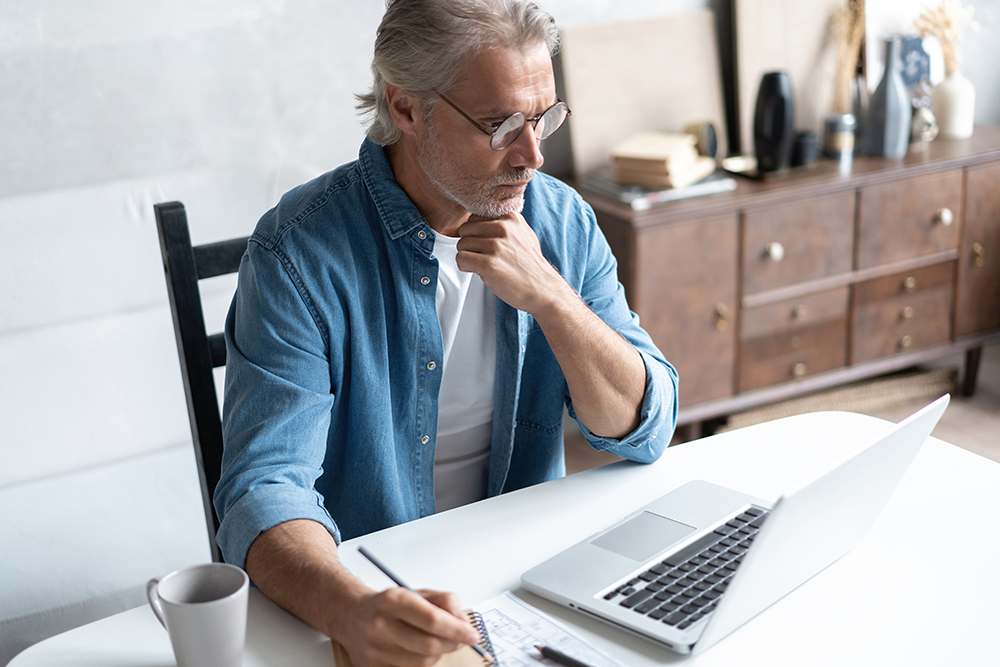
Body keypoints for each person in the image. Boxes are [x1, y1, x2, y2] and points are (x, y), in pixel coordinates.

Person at [216, 0, 679, 665]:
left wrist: (551, 295)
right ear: (405, 108)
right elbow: (262, 490)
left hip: (527, 581)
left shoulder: (562, 221)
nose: (534, 155)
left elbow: (647, 425)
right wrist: (351, 609)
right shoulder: (298, 253)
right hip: (375, 587)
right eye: (500, 125)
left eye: (544, 116)